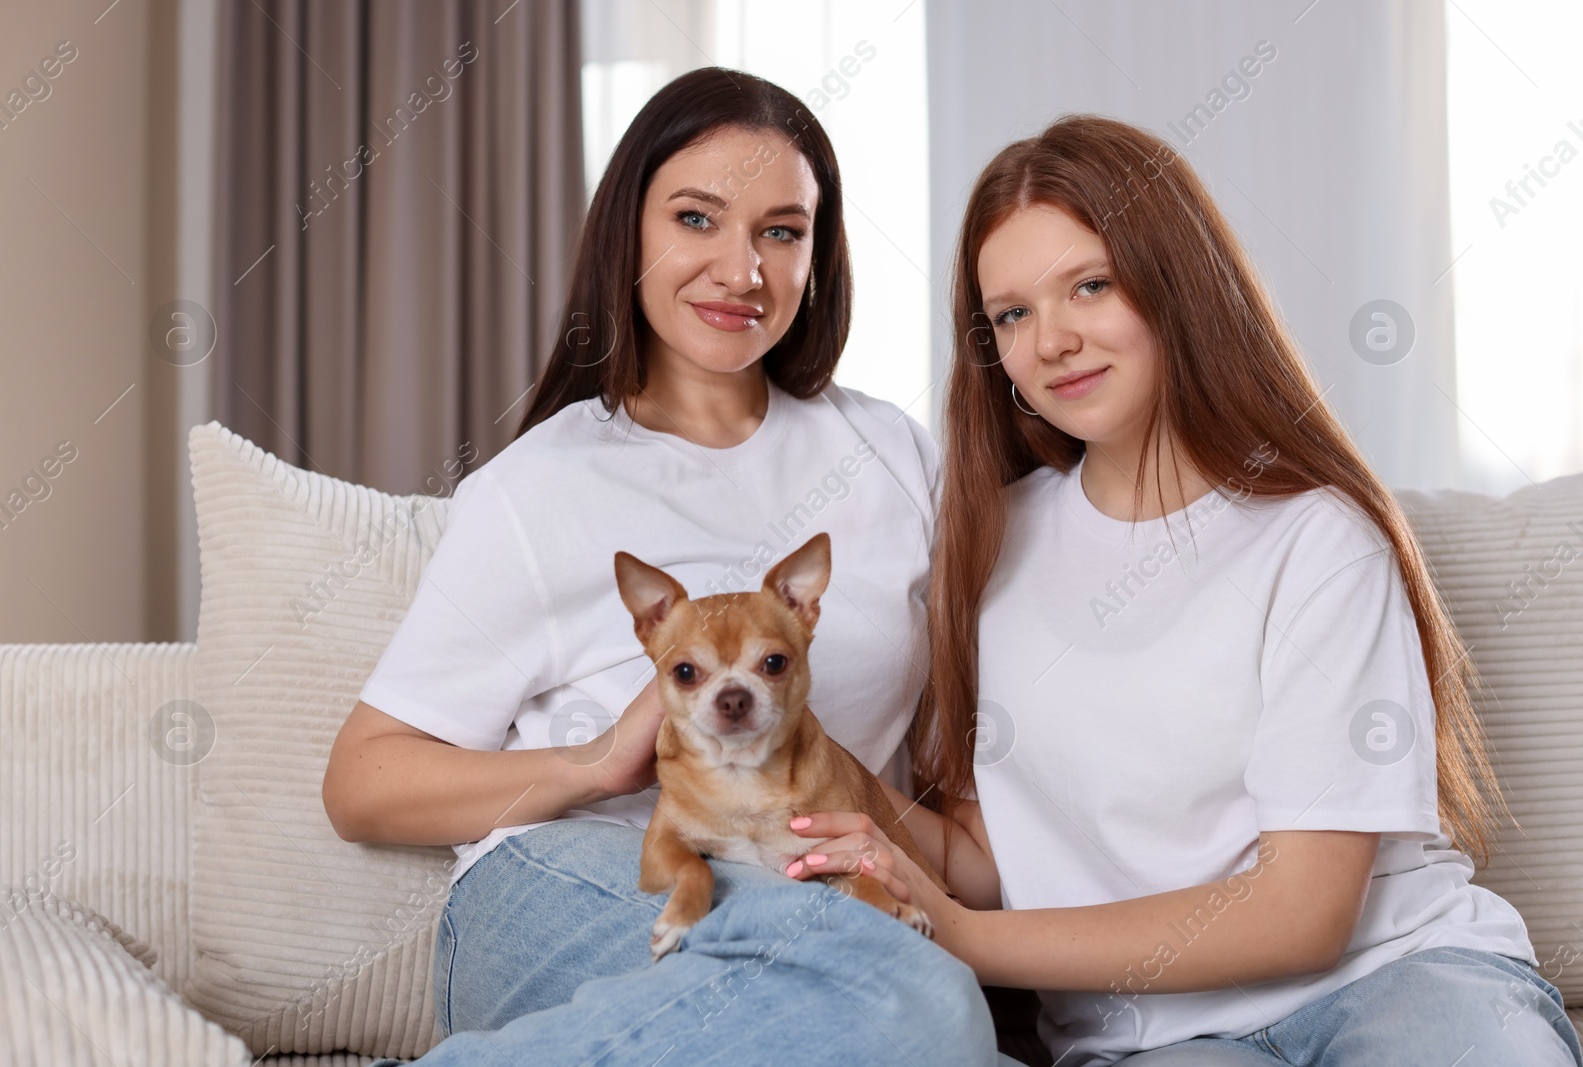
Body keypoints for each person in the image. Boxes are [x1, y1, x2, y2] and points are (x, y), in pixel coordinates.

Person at [783, 115, 1583, 1066]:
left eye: (1090, 285)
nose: (1054, 340)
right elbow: (997, 858)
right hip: (1153, 1034)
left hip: (1397, 972)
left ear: (1175, 285)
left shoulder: (1316, 536)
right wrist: (823, 765)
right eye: (1012, 314)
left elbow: (1305, 914)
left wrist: (960, 936)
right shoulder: (989, 544)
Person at [322, 67, 1003, 1066]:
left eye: (782, 231)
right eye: (697, 218)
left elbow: (947, 790)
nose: (742, 269)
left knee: (904, 1002)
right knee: (911, 998)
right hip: (568, 880)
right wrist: (593, 764)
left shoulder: (893, 459)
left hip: (799, 892)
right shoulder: (538, 486)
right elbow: (363, 780)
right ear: (629, 229)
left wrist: (881, 834)